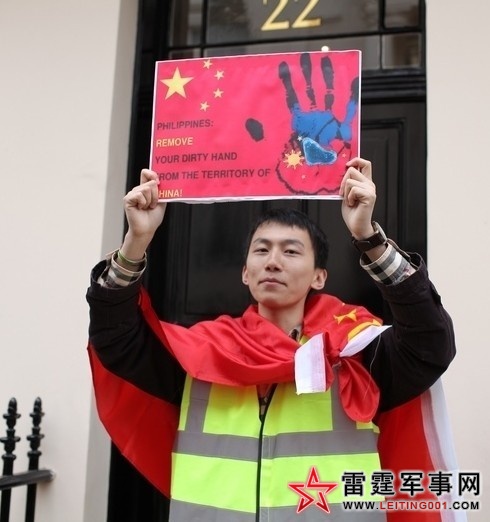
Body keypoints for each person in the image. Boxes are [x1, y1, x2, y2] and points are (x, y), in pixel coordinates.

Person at [87, 157, 459, 521]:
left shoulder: (356, 351)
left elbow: (430, 343)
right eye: (262, 250)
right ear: (245, 273)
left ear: (319, 277)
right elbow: (116, 340)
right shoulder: (200, 353)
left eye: (291, 251)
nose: (273, 261)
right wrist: (136, 242)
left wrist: (369, 238)